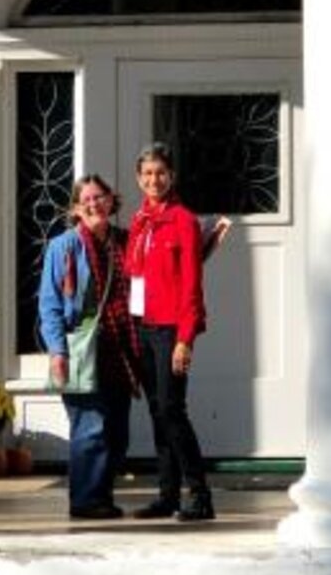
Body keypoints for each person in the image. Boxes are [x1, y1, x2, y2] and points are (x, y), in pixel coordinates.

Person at [38, 174, 140, 520]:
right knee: (90, 428)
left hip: (121, 347)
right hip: (81, 348)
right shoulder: (63, 247)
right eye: (87, 201)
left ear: (112, 201)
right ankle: (85, 501)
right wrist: (57, 352)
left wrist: (203, 246)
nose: (95, 204)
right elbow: (50, 304)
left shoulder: (127, 242)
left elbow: (162, 273)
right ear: (76, 210)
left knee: (118, 433)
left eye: (100, 197)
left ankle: (101, 495)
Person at [125, 142, 217, 522]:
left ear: (172, 176)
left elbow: (192, 288)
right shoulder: (139, 221)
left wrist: (185, 339)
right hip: (142, 326)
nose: (153, 180)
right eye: (147, 173)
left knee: (172, 410)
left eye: (160, 173)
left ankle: (199, 493)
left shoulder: (183, 221)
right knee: (156, 412)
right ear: (138, 178)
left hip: (169, 330)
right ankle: (167, 494)